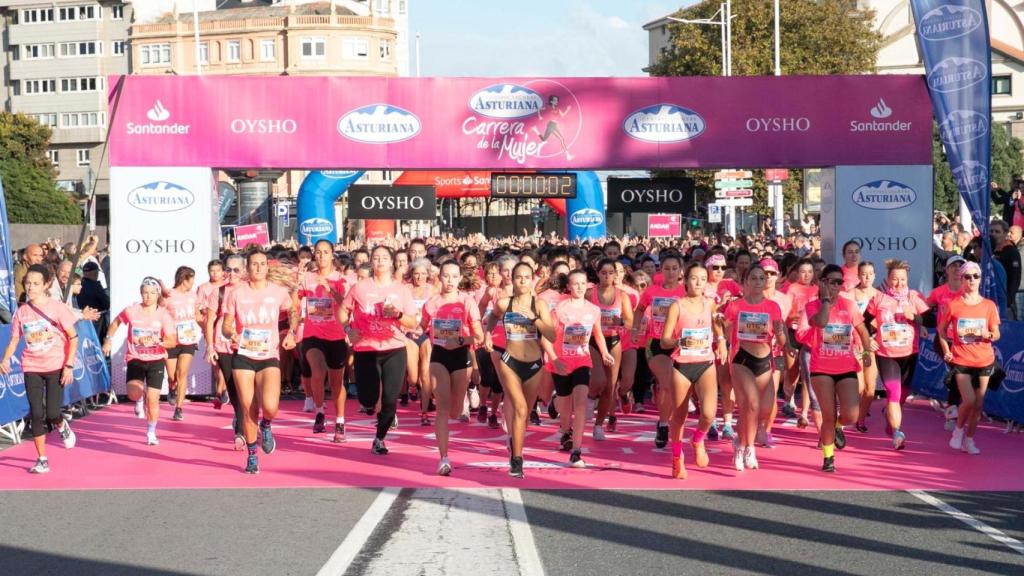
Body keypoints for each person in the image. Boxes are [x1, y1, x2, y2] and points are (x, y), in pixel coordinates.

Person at [221, 250, 297, 473]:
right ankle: (252, 455)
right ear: (248, 267)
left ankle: (267, 425)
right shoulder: (236, 293)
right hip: (243, 355)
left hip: (268, 355)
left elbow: (293, 310)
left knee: (271, 407)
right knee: (247, 407)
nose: (258, 268)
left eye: (262, 264)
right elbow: (226, 325)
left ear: (267, 267)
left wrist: (291, 332)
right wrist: (231, 333)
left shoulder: (277, 291)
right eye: (254, 264)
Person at [0, 264, 79, 474]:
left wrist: (69, 365)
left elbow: (73, 337)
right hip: (31, 366)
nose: (31, 287)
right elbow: (15, 339)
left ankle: (62, 426)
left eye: (36, 283)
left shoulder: (57, 307)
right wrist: (5, 360)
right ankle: (42, 459)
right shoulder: (22, 311)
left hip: (56, 366)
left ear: (46, 285)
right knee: (36, 413)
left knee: (52, 412)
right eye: (28, 283)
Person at [339, 246, 417, 456]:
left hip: (395, 348)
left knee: (391, 399)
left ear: (392, 262)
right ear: (371, 262)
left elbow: (412, 322)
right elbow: (342, 310)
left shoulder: (402, 289)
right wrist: (348, 329)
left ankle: (379, 439)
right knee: (368, 398)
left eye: (384, 257)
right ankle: (369, 404)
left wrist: (398, 315)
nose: (380, 261)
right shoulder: (360, 287)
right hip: (366, 348)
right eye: (376, 258)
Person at [798, 265, 874, 473]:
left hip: (846, 366)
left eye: (840, 282)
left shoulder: (849, 305)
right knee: (828, 415)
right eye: (832, 281)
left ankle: (840, 426)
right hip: (821, 368)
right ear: (822, 283)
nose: (836, 286)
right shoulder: (813, 306)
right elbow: (821, 322)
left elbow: (863, 331)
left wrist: (867, 353)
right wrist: (825, 301)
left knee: (851, 414)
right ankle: (828, 458)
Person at [483, 261, 553, 478]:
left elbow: (552, 335)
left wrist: (533, 319)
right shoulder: (505, 304)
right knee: (520, 408)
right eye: (518, 277)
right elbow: (492, 316)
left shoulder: (539, 305)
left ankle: (515, 440)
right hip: (510, 361)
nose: (522, 281)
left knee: (525, 413)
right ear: (511, 280)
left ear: (532, 279)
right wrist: (488, 334)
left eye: (526, 277)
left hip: (533, 365)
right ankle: (517, 460)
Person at [660, 262, 726, 479]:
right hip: (682, 365)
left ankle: (697, 439)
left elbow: (718, 325)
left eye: (702, 279)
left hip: (705, 362)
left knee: (708, 414)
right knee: (679, 415)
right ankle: (677, 459)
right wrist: (679, 339)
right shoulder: (676, 306)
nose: (698, 283)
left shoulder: (710, 304)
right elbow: (664, 341)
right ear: (685, 280)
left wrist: (722, 341)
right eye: (694, 278)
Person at [421, 260, 484, 476]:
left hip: (461, 355)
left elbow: (479, 336)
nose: (449, 280)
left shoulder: (467, 302)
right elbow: (419, 327)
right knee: (442, 408)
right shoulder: (432, 303)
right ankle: (443, 458)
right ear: (440, 278)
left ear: (460, 278)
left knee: (456, 412)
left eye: (454, 276)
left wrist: (459, 340)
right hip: (438, 356)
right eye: (445, 276)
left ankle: (464, 398)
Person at [721, 265, 786, 471]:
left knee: (764, 409)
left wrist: (781, 334)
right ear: (746, 282)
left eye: (762, 278)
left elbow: (781, 338)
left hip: (765, 359)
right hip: (742, 359)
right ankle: (746, 448)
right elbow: (722, 325)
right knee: (750, 404)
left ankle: (740, 440)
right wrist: (722, 339)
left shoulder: (773, 307)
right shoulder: (735, 306)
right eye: (754, 278)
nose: (759, 282)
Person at [550, 269, 614, 468]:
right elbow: (548, 336)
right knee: (565, 407)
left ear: (587, 285)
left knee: (580, 406)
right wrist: (553, 358)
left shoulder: (593, 310)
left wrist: (604, 353)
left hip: (582, 361)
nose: (578, 287)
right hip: (561, 362)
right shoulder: (559, 309)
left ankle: (576, 451)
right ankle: (564, 427)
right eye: (574, 284)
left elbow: (598, 335)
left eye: (582, 283)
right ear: (568, 286)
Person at [103, 277, 177, 446]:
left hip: (156, 360)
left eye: (152, 293)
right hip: (135, 358)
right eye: (145, 293)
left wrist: (158, 342)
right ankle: (139, 398)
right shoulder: (132, 310)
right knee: (133, 393)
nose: (148, 296)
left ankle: (151, 432)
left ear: (158, 294)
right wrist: (108, 340)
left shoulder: (163, 315)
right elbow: (115, 323)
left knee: (154, 399)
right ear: (140, 293)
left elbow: (172, 341)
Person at [864, 260, 928, 450]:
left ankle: (890, 418)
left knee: (902, 396)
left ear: (907, 279)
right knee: (894, 393)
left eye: (902, 279)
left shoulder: (914, 296)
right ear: (888, 279)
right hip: (886, 354)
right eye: (894, 279)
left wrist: (915, 317)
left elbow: (932, 318)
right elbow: (863, 322)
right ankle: (898, 432)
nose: (899, 283)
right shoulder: (879, 299)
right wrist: (869, 339)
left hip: (909, 353)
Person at [937, 262, 1000, 455]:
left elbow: (996, 333)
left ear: (980, 279)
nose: (972, 280)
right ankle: (958, 431)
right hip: (962, 360)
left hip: (984, 360)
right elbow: (941, 331)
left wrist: (990, 335)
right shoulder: (953, 305)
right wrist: (946, 349)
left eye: (975, 276)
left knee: (978, 405)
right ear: (961, 279)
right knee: (970, 400)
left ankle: (969, 440)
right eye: (967, 277)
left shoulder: (989, 305)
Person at [631, 254, 686, 449]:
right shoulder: (651, 291)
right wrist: (635, 330)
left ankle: (664, 422)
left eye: (674, 268)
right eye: (667, 268)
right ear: (660, 271)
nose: (671, 272)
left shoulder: (685, 292)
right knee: (667, 382)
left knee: (669, 387)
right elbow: (639, 310)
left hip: (679, 345)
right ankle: (664, 425)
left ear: (681, 271)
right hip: (655, 345)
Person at [298, 240, 349, 441]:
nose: (321, 256)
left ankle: (340, 421)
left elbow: (345, 305)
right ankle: (319, 411)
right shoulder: (307, 278)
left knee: (337, 382)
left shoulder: (341, 279)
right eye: (318, 253)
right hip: (312, 333)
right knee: (317, 372)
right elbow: (295, 300)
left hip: (336, 335)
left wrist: (330, 289)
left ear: (332, 255)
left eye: (325, 252)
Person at [587, 259, 633, 440]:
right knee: (598, 379)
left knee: (610, 386)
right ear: (597, 274)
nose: (607, 276)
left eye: (610, 273)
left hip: (613, 340)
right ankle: (590, 397)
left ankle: (599, 425)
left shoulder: (622, 296)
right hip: (592, 340)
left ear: (616, 275)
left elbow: (629, 323)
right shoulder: (590, 294)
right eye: (603, 272)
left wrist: (619, 322)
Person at [204, 254, 246, 448]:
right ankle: (240, 429)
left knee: (248, 390)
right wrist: (210, 346)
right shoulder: (218, 292)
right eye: (228, 269)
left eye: (236, 270)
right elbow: (210, 320)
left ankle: (245, 421)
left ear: (244, 270)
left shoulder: (249, 289)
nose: (231, 274)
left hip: (249, 345)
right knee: (234, 389)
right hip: (224, 345)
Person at [164, 266, 201, 421]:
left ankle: (179, 408)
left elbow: (198, 315)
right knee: (172, 376)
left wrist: (207, 328)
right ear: (183, 279)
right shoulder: (168, 296)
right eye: (191, 280)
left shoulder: (193, 296)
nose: (193, 283)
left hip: (189, 339)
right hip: (171, 339)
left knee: (182, 373)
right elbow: (160, 315)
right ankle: (172, 388)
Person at [990, 220, 1021, 319]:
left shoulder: (1011, 251)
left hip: (1004, 299)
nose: (993, 234)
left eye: (997, 231)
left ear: (1005, 233)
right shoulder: (989, 250)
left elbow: (1015, 278)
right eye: (991, 231)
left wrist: (1009, 300)